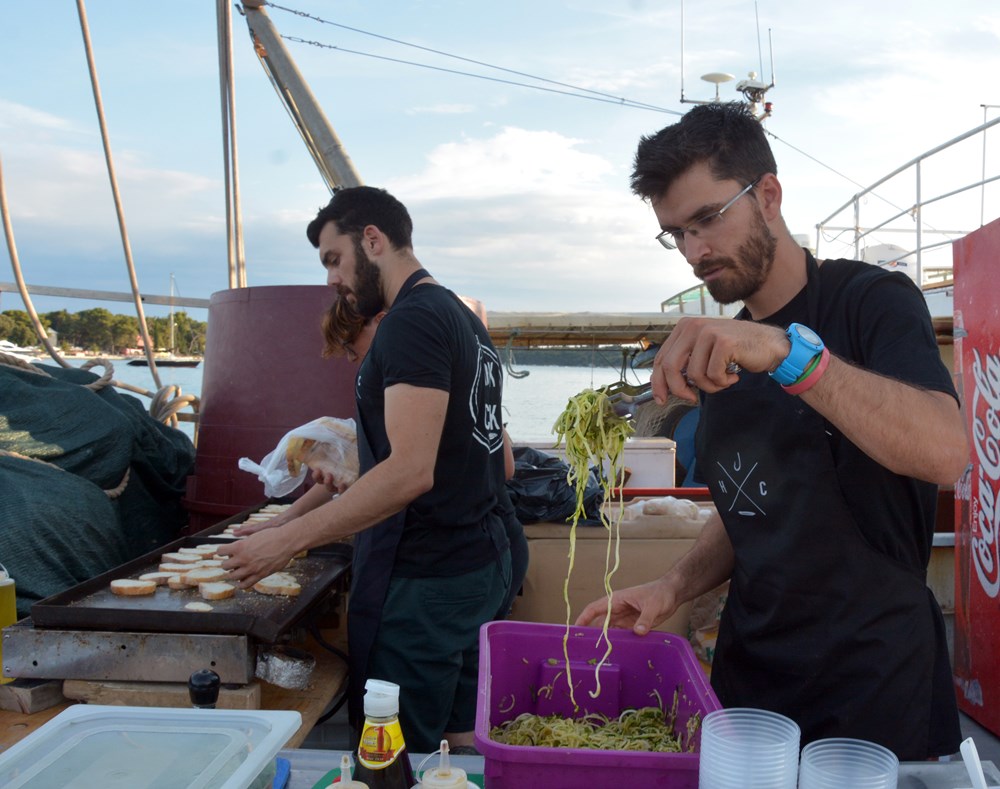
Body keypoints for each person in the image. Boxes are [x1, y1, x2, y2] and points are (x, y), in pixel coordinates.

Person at [575, 102, 969, 760]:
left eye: (708, 218)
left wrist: (788, 354)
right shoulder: (723, 347)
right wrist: (672, 586)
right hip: (750, 688)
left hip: (874, 689)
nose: (694, 251)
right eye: (677, 233)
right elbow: (753, 502)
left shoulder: (870, 300)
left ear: (768, 195)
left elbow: (945, 452)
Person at [219, 186, 512, 753]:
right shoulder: (461, 318)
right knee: (456, 737)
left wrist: (286, 541)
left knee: (393, 748)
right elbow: (484, 454)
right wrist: (289, 522)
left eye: (334, 259)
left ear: (372, 240)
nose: (332, 278)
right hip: (477, 561)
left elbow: (409, 473)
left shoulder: (411, 321)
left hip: (425, 579)